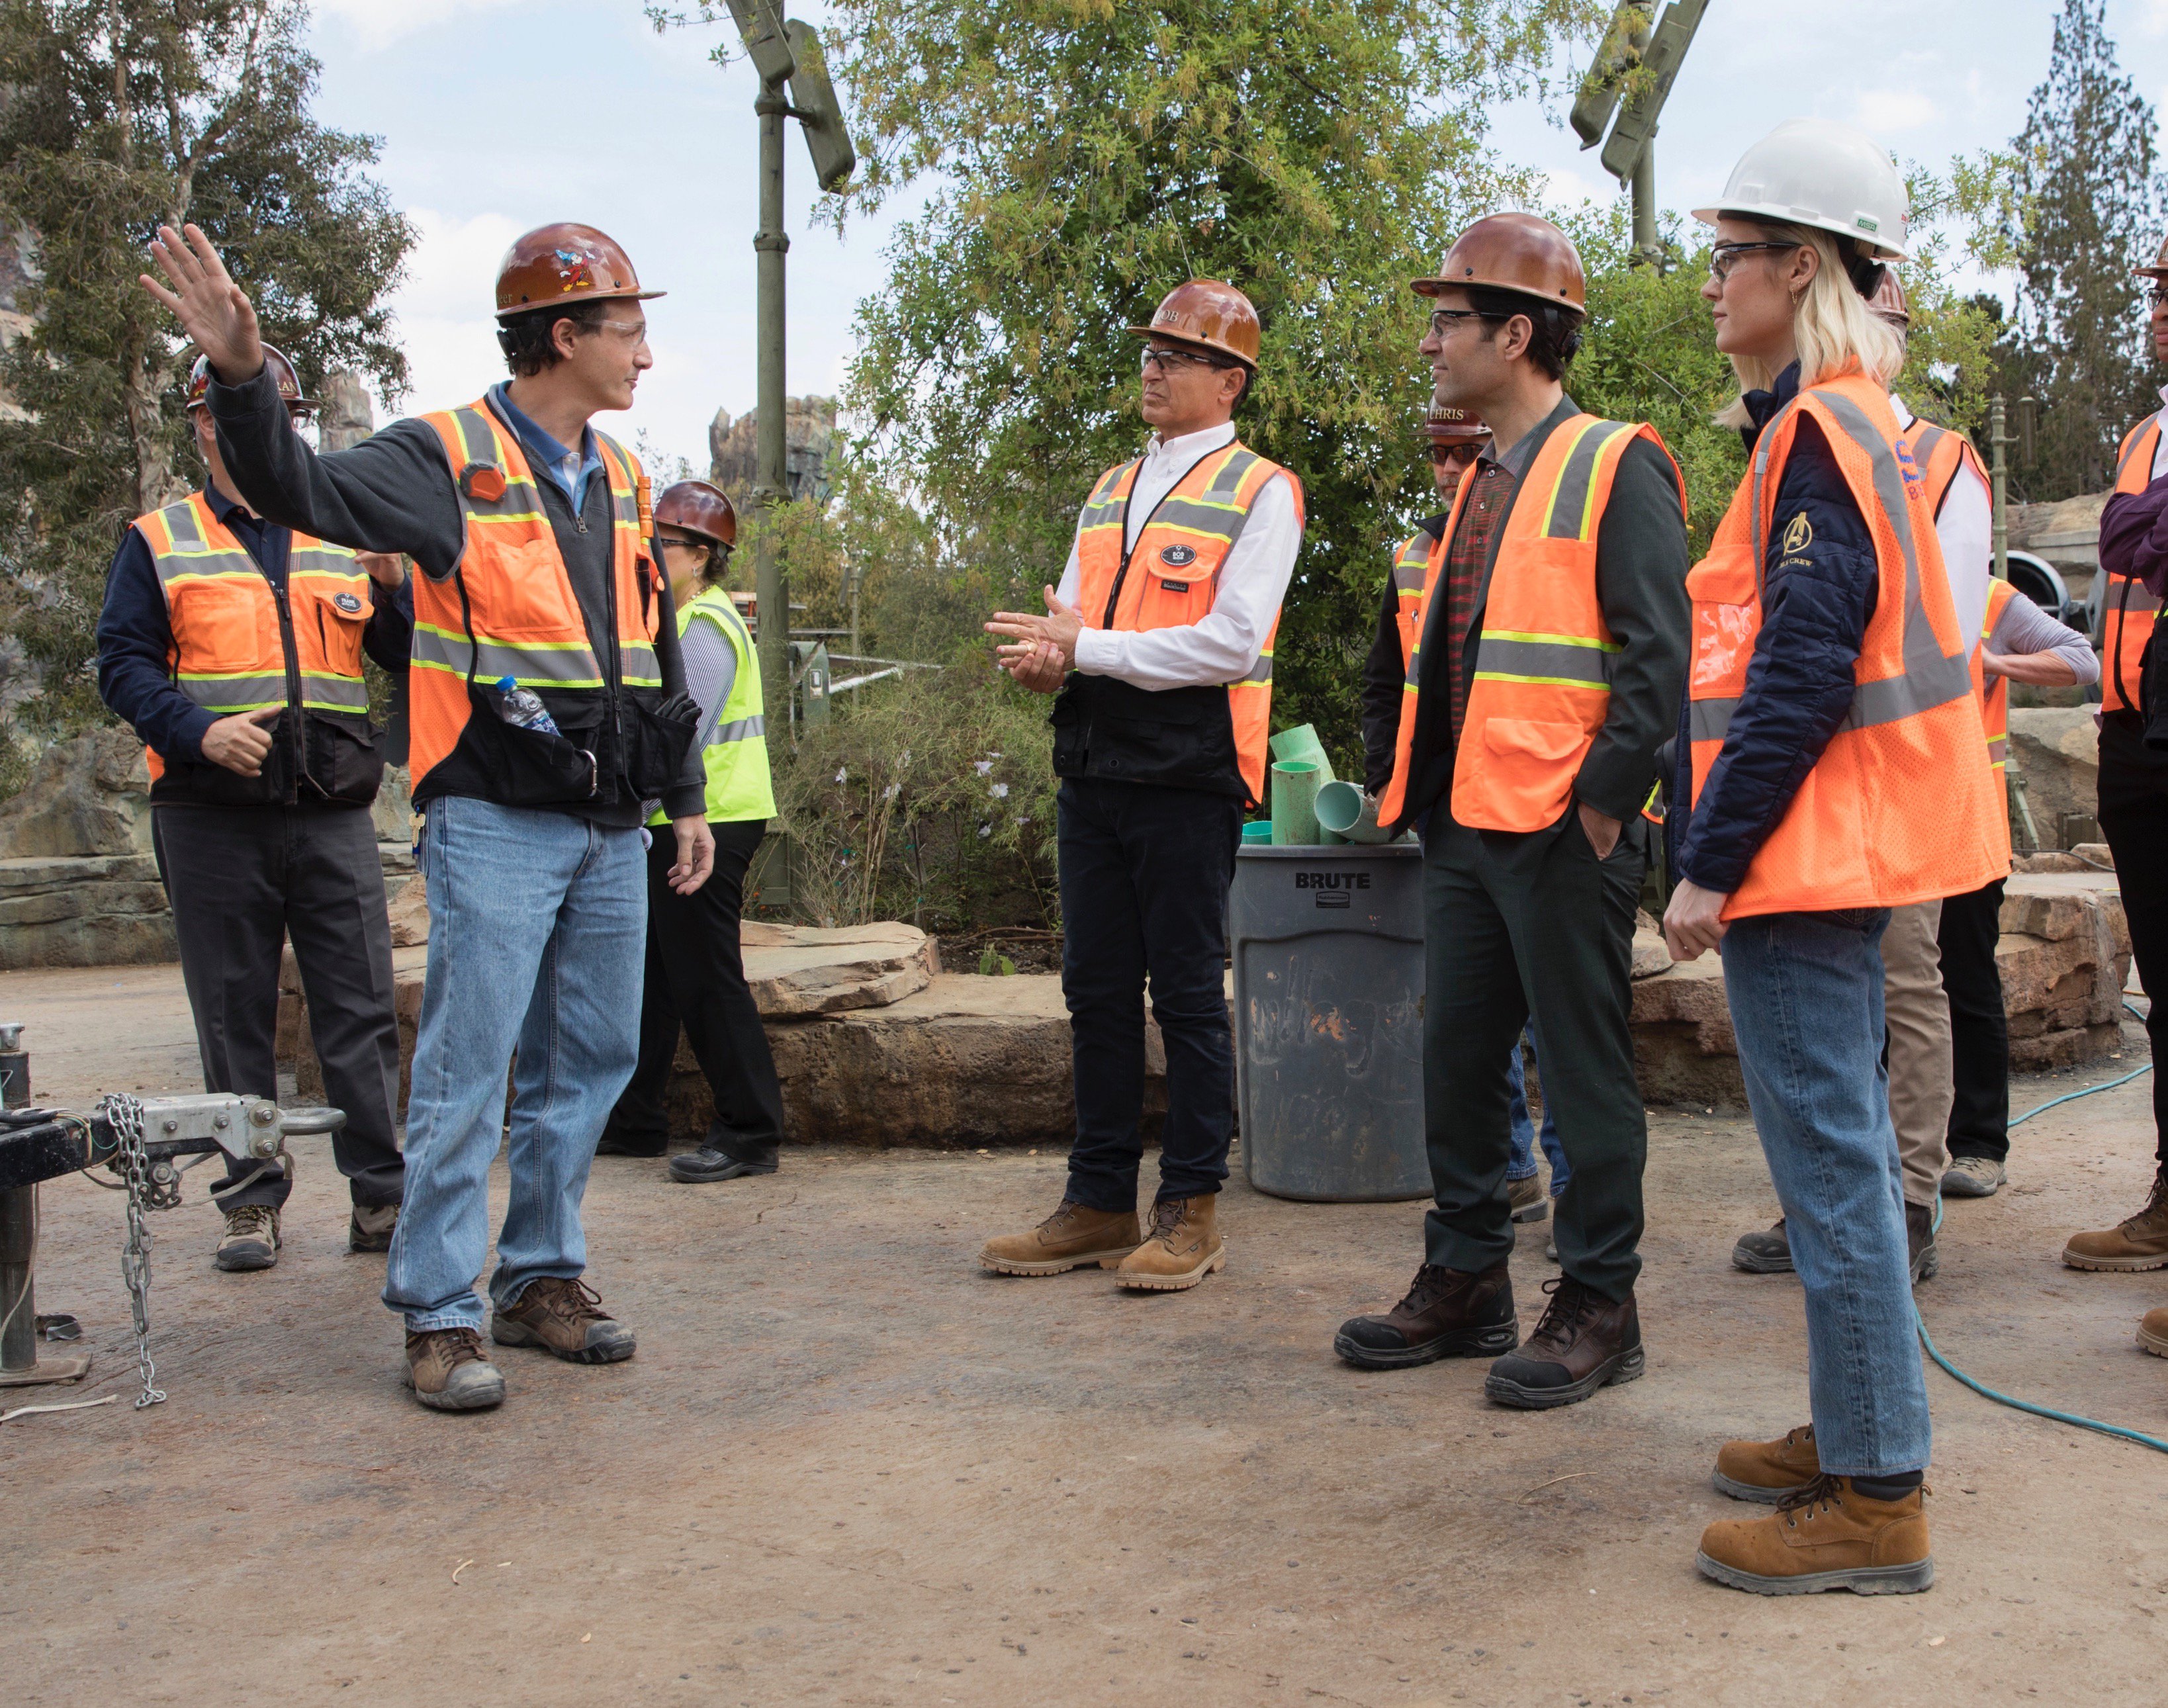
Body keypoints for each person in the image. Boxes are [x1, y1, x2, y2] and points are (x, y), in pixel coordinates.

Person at [141, 220, 713, 1412]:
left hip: (610, 818)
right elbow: (299, 487)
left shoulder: (620, 477)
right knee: (467, 1064)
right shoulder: (441, 455)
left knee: (594, 1058)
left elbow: (652, 646)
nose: (646, 354)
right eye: (630, 329)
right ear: (566, 336)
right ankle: (441, 1311)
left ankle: (542, 1276)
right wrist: (246, 379)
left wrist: (683, 797)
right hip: (496, 815)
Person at [1665, 118, 2005, 1596]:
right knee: (1838, 1168)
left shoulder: (1819, 434)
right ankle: (1858, 1431)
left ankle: (1877, 1495)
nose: (1711, 281)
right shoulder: (1840, 422)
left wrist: (1705, 863)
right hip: (1842, 851)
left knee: (1834, 1170)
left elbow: (1803, 671)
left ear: (1799, 267)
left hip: (1808, 858)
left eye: (1731, 255)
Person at [1333, 213, 1689, 1410]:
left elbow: (1657, 658)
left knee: (1583, 1074)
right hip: (1463, 825)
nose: (1430, 344)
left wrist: (1602, 810)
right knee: (1457, 1058)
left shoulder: (1614, 461)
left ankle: (1600, 1299)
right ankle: (1468, 1275)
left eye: (1449, 322)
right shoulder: (1481, 477)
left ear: (1517, 333)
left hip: (1558, 828)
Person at [976, 279, 1304, 1292]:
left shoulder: (1262, 490)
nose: (1153, 367)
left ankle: (1193, 1207)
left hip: (1189, 769)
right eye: (1151, 352)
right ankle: (1097, 1199)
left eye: (1177, 354)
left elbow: (1231, 643)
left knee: (1190, 995)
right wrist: (1047, 657)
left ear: (1229, 380)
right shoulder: (1114, 484)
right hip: (1095, 762)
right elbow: (1072, 620)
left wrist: (1089, 646)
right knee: (1099, 992)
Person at [97, 347, 410, 1272]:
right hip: (211, 813)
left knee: (357, 1008)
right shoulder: (160, 538)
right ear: (205, 423)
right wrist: (197, 730)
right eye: (247, 410)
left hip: (332, 810)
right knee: (234, 1013)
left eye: (285, 411)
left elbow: (400, 652)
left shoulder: (339, 531)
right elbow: (124, 664)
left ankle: (380, 1200)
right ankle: (249, 1199)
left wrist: (394, 586)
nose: (274, 426)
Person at [1726, 268, 1992, 1277]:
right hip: (1810, 781)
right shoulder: (1793, 430)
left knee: (1905, 983)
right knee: (1827, 1023)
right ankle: (1829, 1205)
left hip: (1892, 777)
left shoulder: (1937, 455)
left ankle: (1908, 1197)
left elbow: (1943, 631)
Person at [1356, 404, 1570, 1227]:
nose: (1449, 470)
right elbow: (1386, 682)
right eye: (1439, 455)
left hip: (1539, 806)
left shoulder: (1538, 541)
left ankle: (1578, 1199)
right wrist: (1389, 783)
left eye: (1464, 453)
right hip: (1448, 810)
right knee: (1473, 1026)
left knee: (1557, 1022)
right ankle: (1510, 1173)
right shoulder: (1415, 557)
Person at [600, 480, 786, 1185]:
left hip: (713, 819)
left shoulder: (705, 626)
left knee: (706, 974)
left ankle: (750, 1130)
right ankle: (634, 1119)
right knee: (655, 975)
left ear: (701, 555)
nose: (648, 555)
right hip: (676, 820)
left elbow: (679, 734)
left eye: (662, 544)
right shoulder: (676, 621)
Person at [2066, 231, 2168, 1292]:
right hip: (2137, 729)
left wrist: (2144, 529)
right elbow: (2126, 542)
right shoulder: (2145, 436)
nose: (2159, 310)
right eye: (2157, 292)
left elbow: (2141, 537)